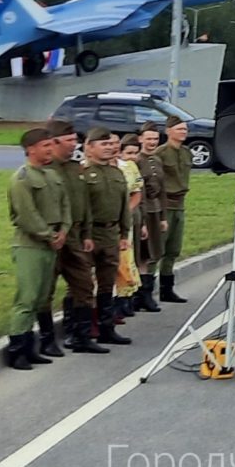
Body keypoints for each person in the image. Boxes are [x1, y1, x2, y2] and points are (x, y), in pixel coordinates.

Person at [41, 120, 107, 355]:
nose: (74, 145)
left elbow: (85, 203)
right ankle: (47, 339)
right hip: (52, 237)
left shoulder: (75, 168)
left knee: (84, 285)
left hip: (76, 235)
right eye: (69, 141)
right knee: (45, 290)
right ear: (55, 141)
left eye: (75, 140)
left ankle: (80, 335)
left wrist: (87, 233)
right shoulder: (47, 169)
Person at [5, 128, 68, 370]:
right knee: (27, 298)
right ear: (31, 149)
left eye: (51, 145)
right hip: (30, 244)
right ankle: (17, 350)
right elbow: (26, 214)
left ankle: (31, 348)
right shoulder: (22, 178)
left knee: (42, 298)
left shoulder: (52, 176)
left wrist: (63, 230)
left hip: (52, 241)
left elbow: (65, 206)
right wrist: (48, 235)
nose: (51, 149)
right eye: (45, 146)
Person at [79, 127, 133, 345]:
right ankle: (79, 330)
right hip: (90, 235)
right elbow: (81, 209)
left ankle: (106, 327)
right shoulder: (82, 174)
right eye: (104, 144)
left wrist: (124, 233)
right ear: (89, 148)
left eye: (112, 144)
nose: (110, 147)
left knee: (107, 283)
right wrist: (83, 235)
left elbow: (123, 207)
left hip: (111, 234)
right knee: (82, 284)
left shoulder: (117, 173)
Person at [154, 115, 192, 304]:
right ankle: (144, 292)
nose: (183, 132)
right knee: (157, 249)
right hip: (165, 204)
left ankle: (166, 289)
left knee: (173, 249)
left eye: (185, 129)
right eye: (179, 129)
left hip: (180, 205)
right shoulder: (160, 153)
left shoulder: (186, 152)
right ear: (168, 131)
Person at [134, 122, 166, 311]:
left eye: (155, 139)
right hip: (142, 211)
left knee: (152, 253)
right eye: (149, 139)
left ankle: (146, 293)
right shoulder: (137, 161)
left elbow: (162, 190)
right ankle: (141, 295)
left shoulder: (157, 160)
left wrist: (163, 216)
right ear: (140, 139)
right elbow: (139, 192)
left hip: (155, 210)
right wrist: (144, 220)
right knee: (142, 254)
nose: (152, 142)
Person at [115, 134, 144, 318]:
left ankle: (124, 300)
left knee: (126, 260)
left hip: (126, 221)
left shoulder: (130, 168)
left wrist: (126, 212)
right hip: (105, 225)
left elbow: (137, 192)